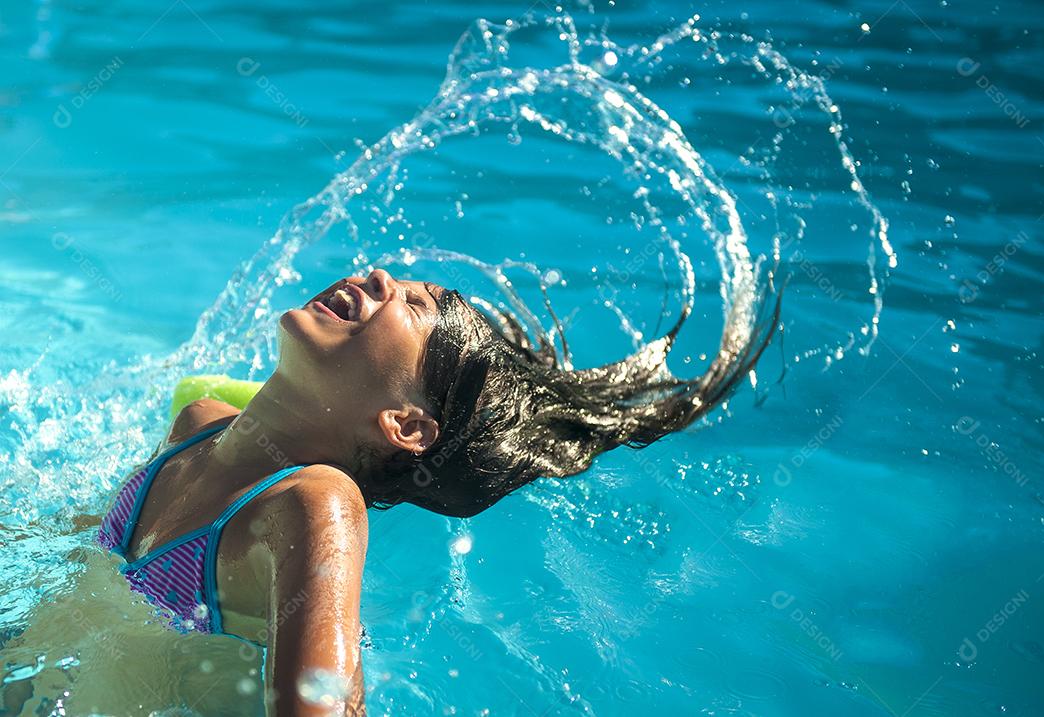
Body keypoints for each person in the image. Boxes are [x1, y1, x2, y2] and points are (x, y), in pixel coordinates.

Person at [93, 267, 779, 716]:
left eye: (413, 305)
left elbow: (321, 703)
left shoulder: (314, 504)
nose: (380, 276)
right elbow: (74, 562)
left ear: (406, 423)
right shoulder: (195, 426)